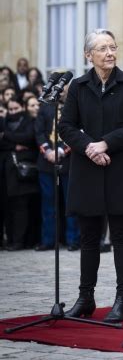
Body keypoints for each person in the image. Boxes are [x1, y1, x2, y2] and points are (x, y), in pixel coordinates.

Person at [59, 29, 123, 322]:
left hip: (121, 167)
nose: (109, 53)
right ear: (89, 55)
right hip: (87, 167)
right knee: (88, 237)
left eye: (113, 47)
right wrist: (89, 149)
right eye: (102, 48)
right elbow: (66, 126)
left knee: (121, 235)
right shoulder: (79, 86)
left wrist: (105, 143)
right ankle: (86, 297)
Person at [35, 85, 80, 252]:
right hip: (46, 163)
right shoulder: (45, 107)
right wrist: (47, 151)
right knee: (48, 204)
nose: (61, 92)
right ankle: (49, 240)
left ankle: (72, 240)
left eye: (64, 89)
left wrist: (62, 150)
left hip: (68, 162)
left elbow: (76, 131)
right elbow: (38, 132)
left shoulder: (74, 107)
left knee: (70, 204)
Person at [1, 96, 39, 250]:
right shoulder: (3, 122)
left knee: (22, 208)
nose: (13, 112)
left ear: (22, 108)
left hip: (24, 173)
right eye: (10, 109)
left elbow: (28, 137)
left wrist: (6, 137)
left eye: (16, 109)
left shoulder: (29, 121)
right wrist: (14, 144)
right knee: (9, 209)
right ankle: (11, 240)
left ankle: (21, 241)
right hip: (6, 174)